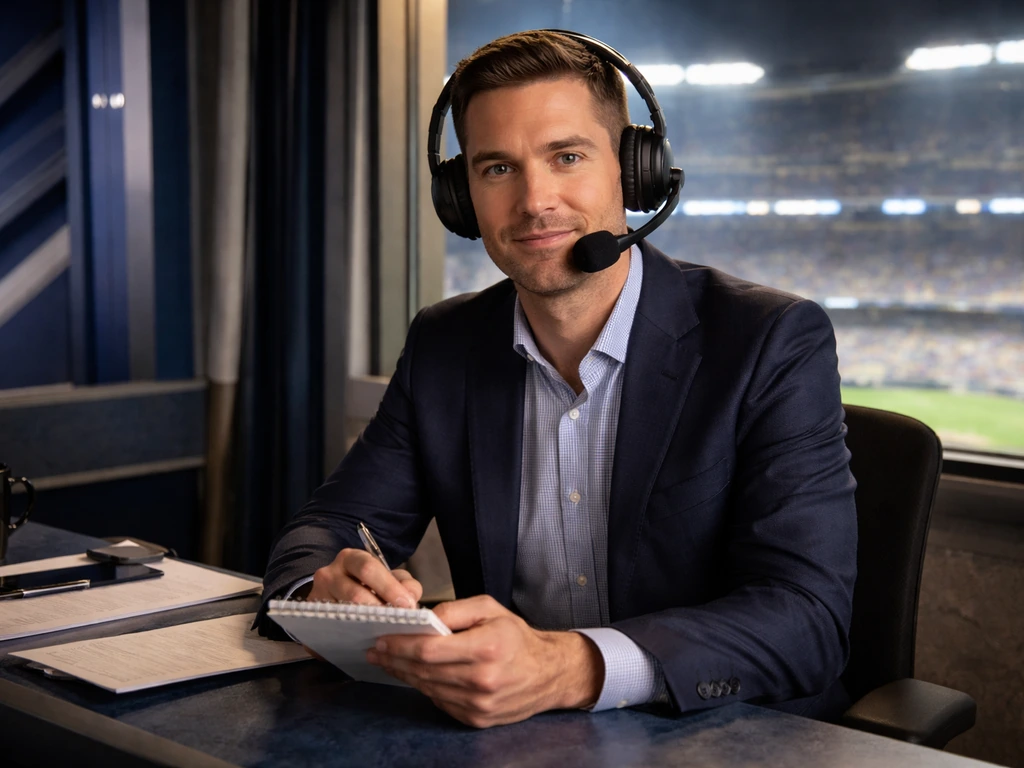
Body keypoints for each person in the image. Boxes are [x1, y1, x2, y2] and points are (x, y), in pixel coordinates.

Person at [259, 29, 858, 729]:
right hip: (516, 739)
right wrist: (329, 590)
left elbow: (807, 619)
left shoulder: (769, 341)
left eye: (566, 156)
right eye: (496, 169)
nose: (535, 201)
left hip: (718, 734)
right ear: (461, 198)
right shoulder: (445, 346)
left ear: (633, 173)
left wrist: (569, 666)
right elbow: (325, 530)